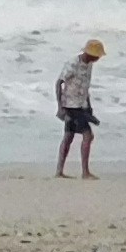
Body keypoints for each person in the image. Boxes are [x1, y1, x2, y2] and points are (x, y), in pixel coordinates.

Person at [53, 39, 106, 177]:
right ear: (89, 54)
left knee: (69, 136)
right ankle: (85, 172)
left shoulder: (88, 65)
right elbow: (59, 83)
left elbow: (85, 86)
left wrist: (89, 106)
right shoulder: (73, 64)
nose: (98, 58)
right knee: (88, 136)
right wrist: (60, 107)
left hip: (81, 105)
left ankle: (59, 172)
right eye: (97, 56)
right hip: (70, 105)